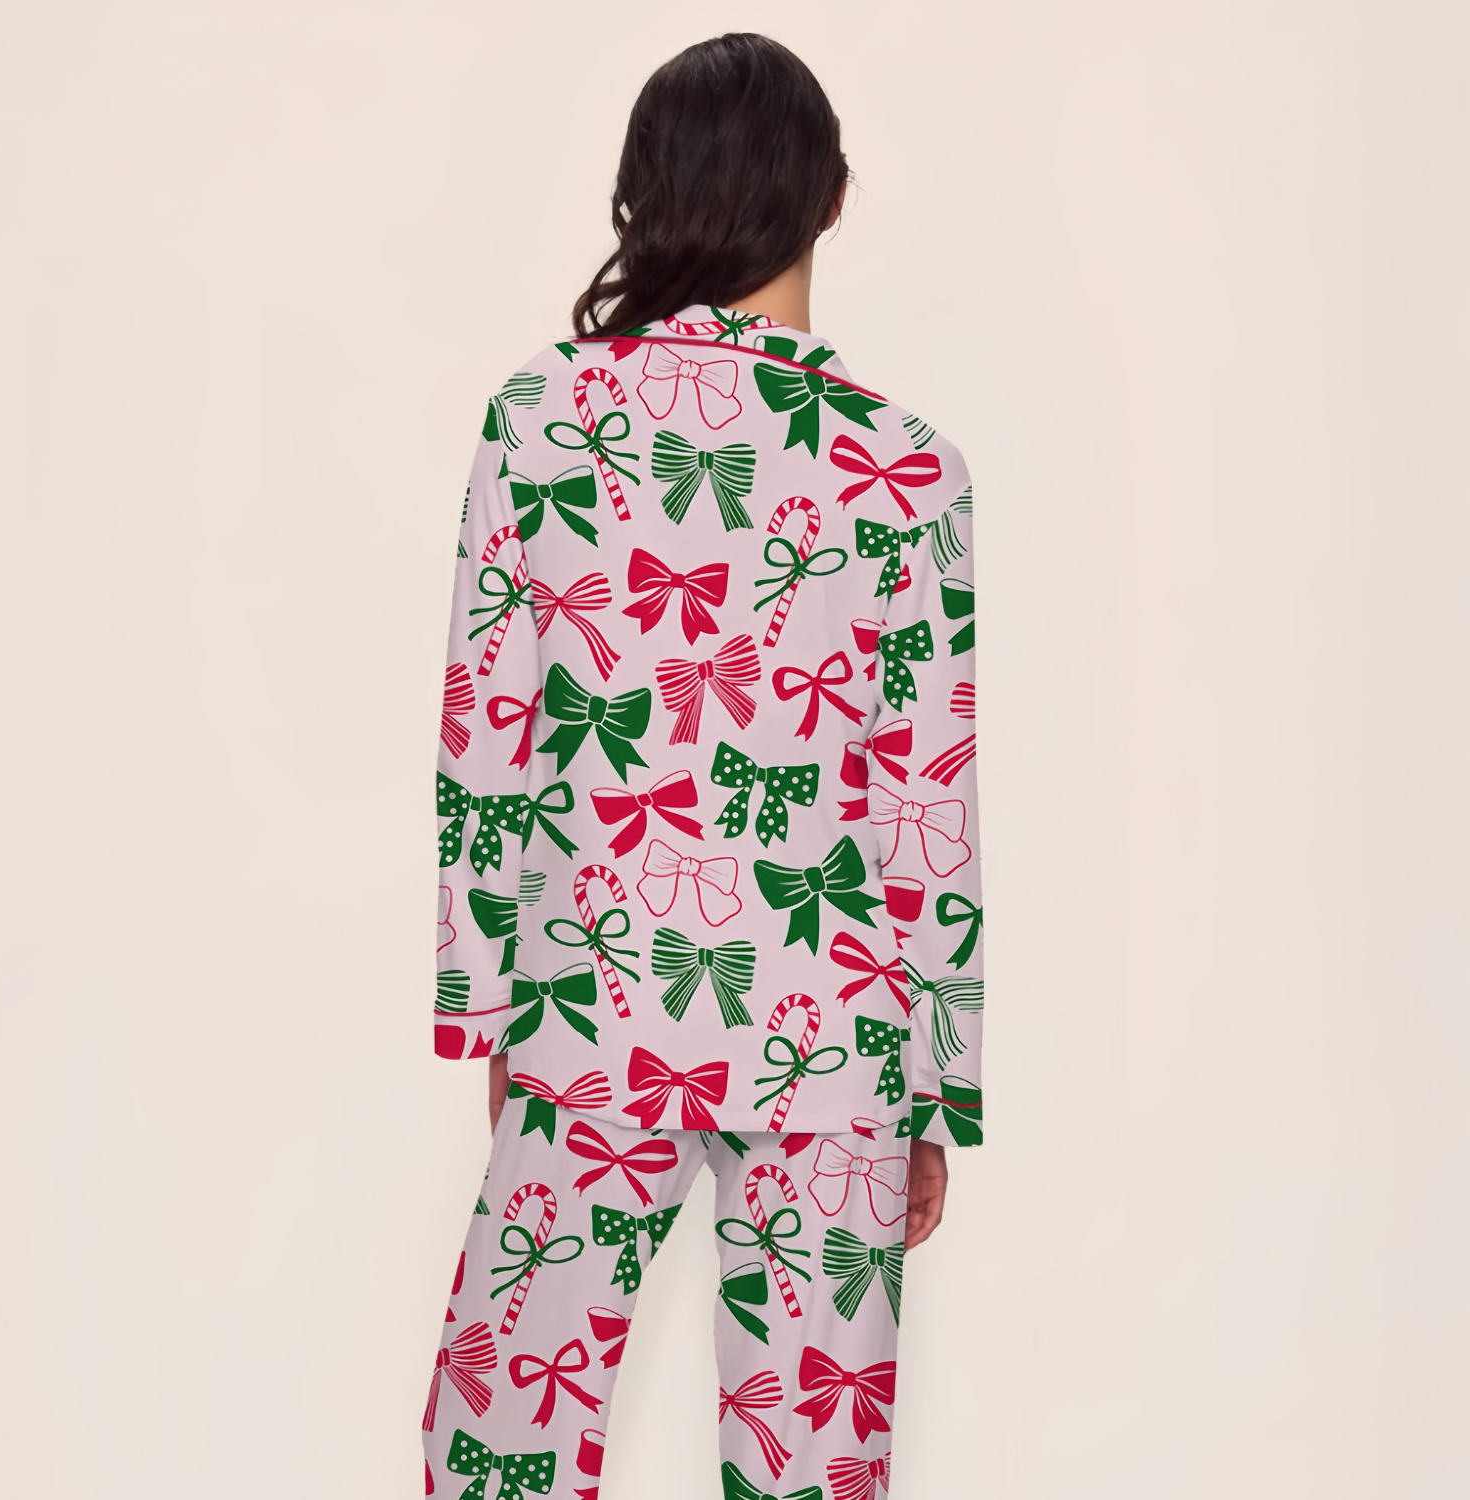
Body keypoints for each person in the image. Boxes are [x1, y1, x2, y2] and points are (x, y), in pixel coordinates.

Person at [425, 32, 983, 1499]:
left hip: (595, 1003)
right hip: (838, 1029)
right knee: (816, 1468)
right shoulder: (907, 468)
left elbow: (487, 734)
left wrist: (494, 1003)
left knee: (501, 1443)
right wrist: (933, 1084)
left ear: (644, 196)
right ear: (832, 198)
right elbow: (926, 794)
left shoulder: (541, 421)